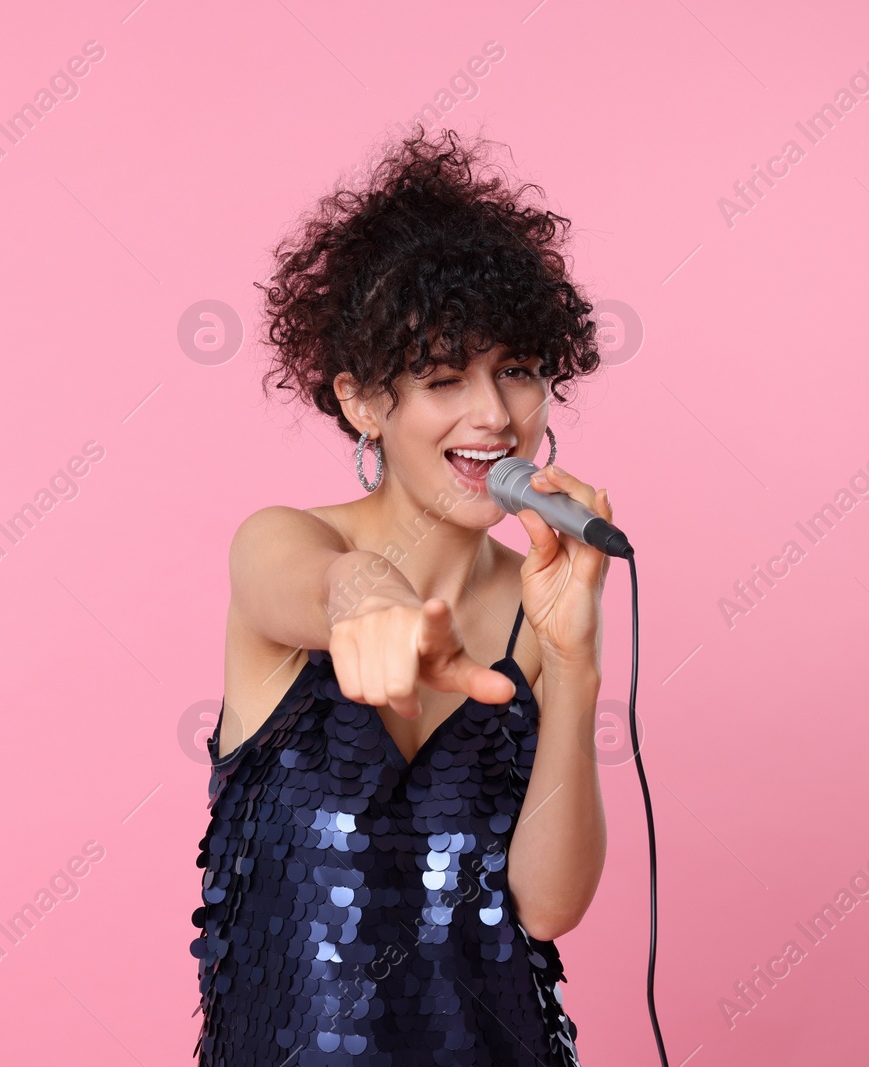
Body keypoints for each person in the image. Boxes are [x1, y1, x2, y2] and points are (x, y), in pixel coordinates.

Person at [190, 125, 611, 1066]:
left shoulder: (534, 605)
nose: (494, 416)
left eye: (518, 370)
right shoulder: (283, 542)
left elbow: (548, 907)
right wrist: (364, 596)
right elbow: (304, 581)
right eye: (443, 378)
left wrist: (576, 660)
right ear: (362, 400)